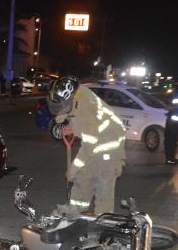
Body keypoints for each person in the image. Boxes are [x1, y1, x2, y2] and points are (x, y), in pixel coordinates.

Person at [48, 76, 126, 216]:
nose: (60, 110)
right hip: (95, 132)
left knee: (103, 181)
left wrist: (72, 169)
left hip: (110, 142)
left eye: (61, 108)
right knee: (83, 176)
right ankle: (76, 209)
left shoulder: (86, 109)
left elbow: (88, 147)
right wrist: (64, 119)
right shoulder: (74, 94)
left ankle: (104, 218)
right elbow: (70, 112)